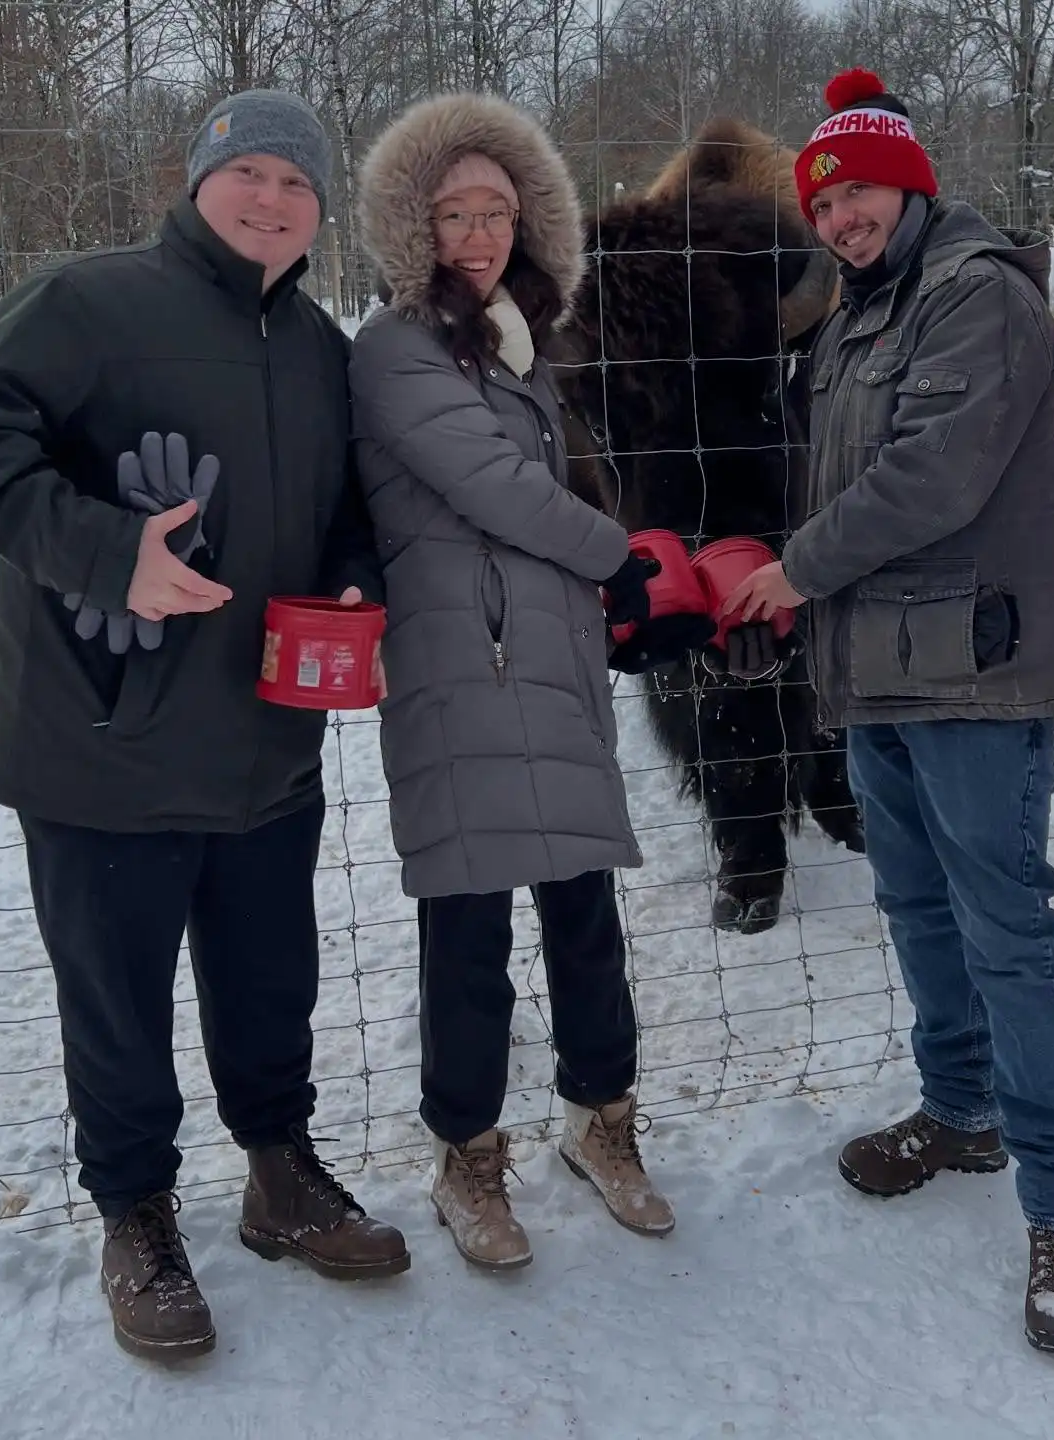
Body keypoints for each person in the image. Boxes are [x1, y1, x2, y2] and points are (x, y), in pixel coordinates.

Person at [0, 88, 410, 1362]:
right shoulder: (90, 298)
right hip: (101, 736)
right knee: (116, 999)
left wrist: (357, 579)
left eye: (298, 184)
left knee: (269, 980)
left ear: (320, 212)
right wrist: (97, 552)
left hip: (262, 739)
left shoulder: (318, 347)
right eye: (247, 173)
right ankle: (134, 1214)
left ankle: (279, 1174)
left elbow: (351, 504)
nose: (272, 199)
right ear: (197, 184)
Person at [724, 67, 1054, 1355]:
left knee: (1008, 927)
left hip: (976, 672)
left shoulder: (977, 296)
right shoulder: (851, 318)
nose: (842, 221)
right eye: (824, 206)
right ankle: (961, 1110)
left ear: (912, 183)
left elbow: (925, 482)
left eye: (861, 195)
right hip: (880, 668)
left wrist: (792, 572)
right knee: (918, 906)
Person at [348, 92, 683, 1270]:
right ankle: (469, 1155)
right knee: (469, 927)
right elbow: (490, 487)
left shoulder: (523, 346)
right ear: (410, 225)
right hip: (463, 669)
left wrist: (607, 595)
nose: (478, 234)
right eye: (452, 214)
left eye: (498, 210)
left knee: (587, 915)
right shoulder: (395, 349)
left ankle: (605, 1125)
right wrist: (623, 556)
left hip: (554, 663)